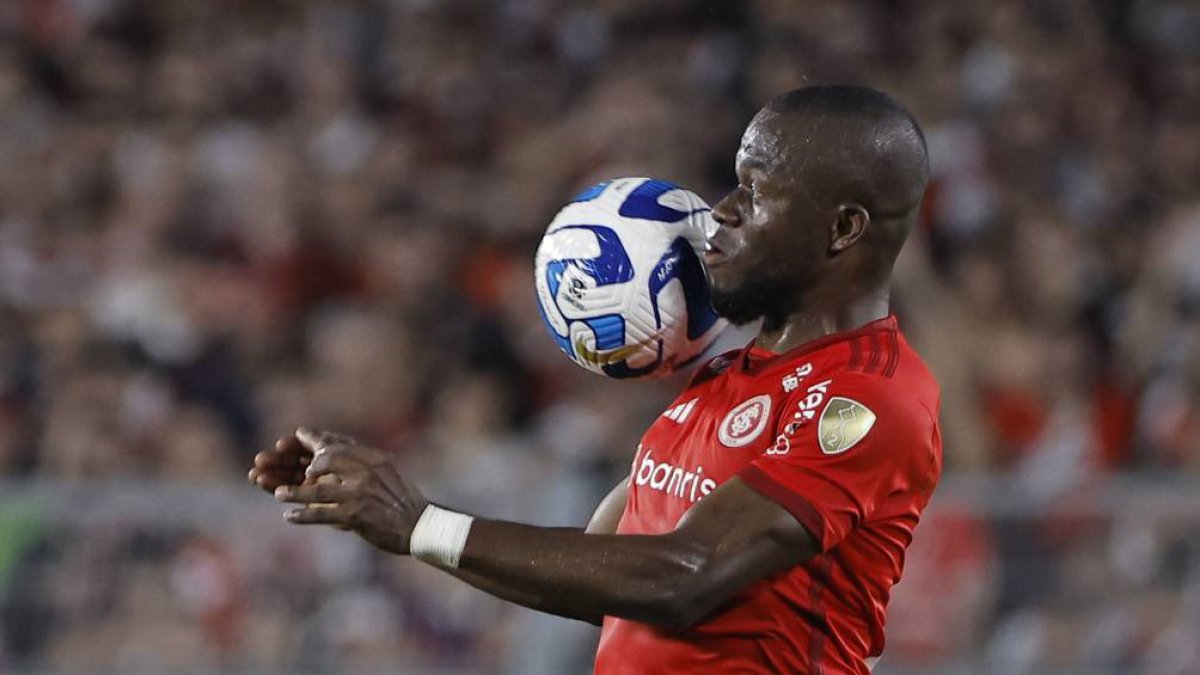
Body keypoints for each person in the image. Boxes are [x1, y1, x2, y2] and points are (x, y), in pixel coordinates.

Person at [249, 85, 941, 674]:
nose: (723, 208)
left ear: (843, 228)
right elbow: (603, 573)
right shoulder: (726, 374)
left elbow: (682, 575)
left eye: (757, 192)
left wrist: (418, 523)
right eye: (734, 181)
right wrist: (381, 502)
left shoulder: (869, 396)